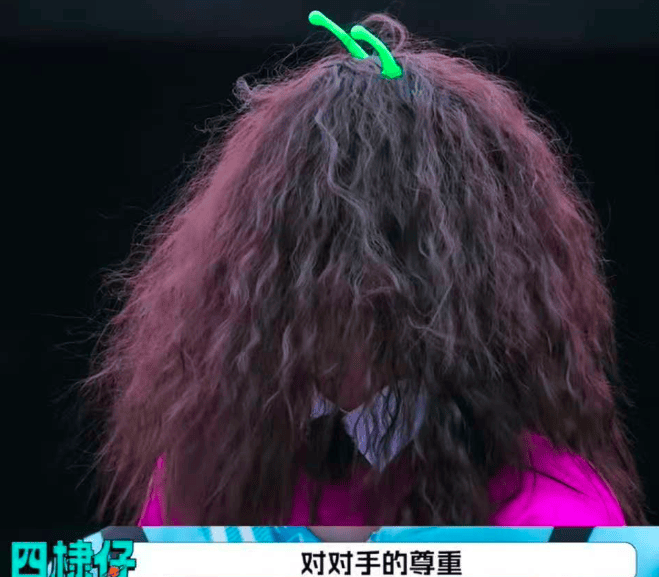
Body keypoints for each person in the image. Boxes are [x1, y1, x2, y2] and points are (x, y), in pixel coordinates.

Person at [79, 11, 647, 528]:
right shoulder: (204, 484)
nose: (349, 282)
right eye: (312, 244)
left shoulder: (553, 520)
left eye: (382, 250)